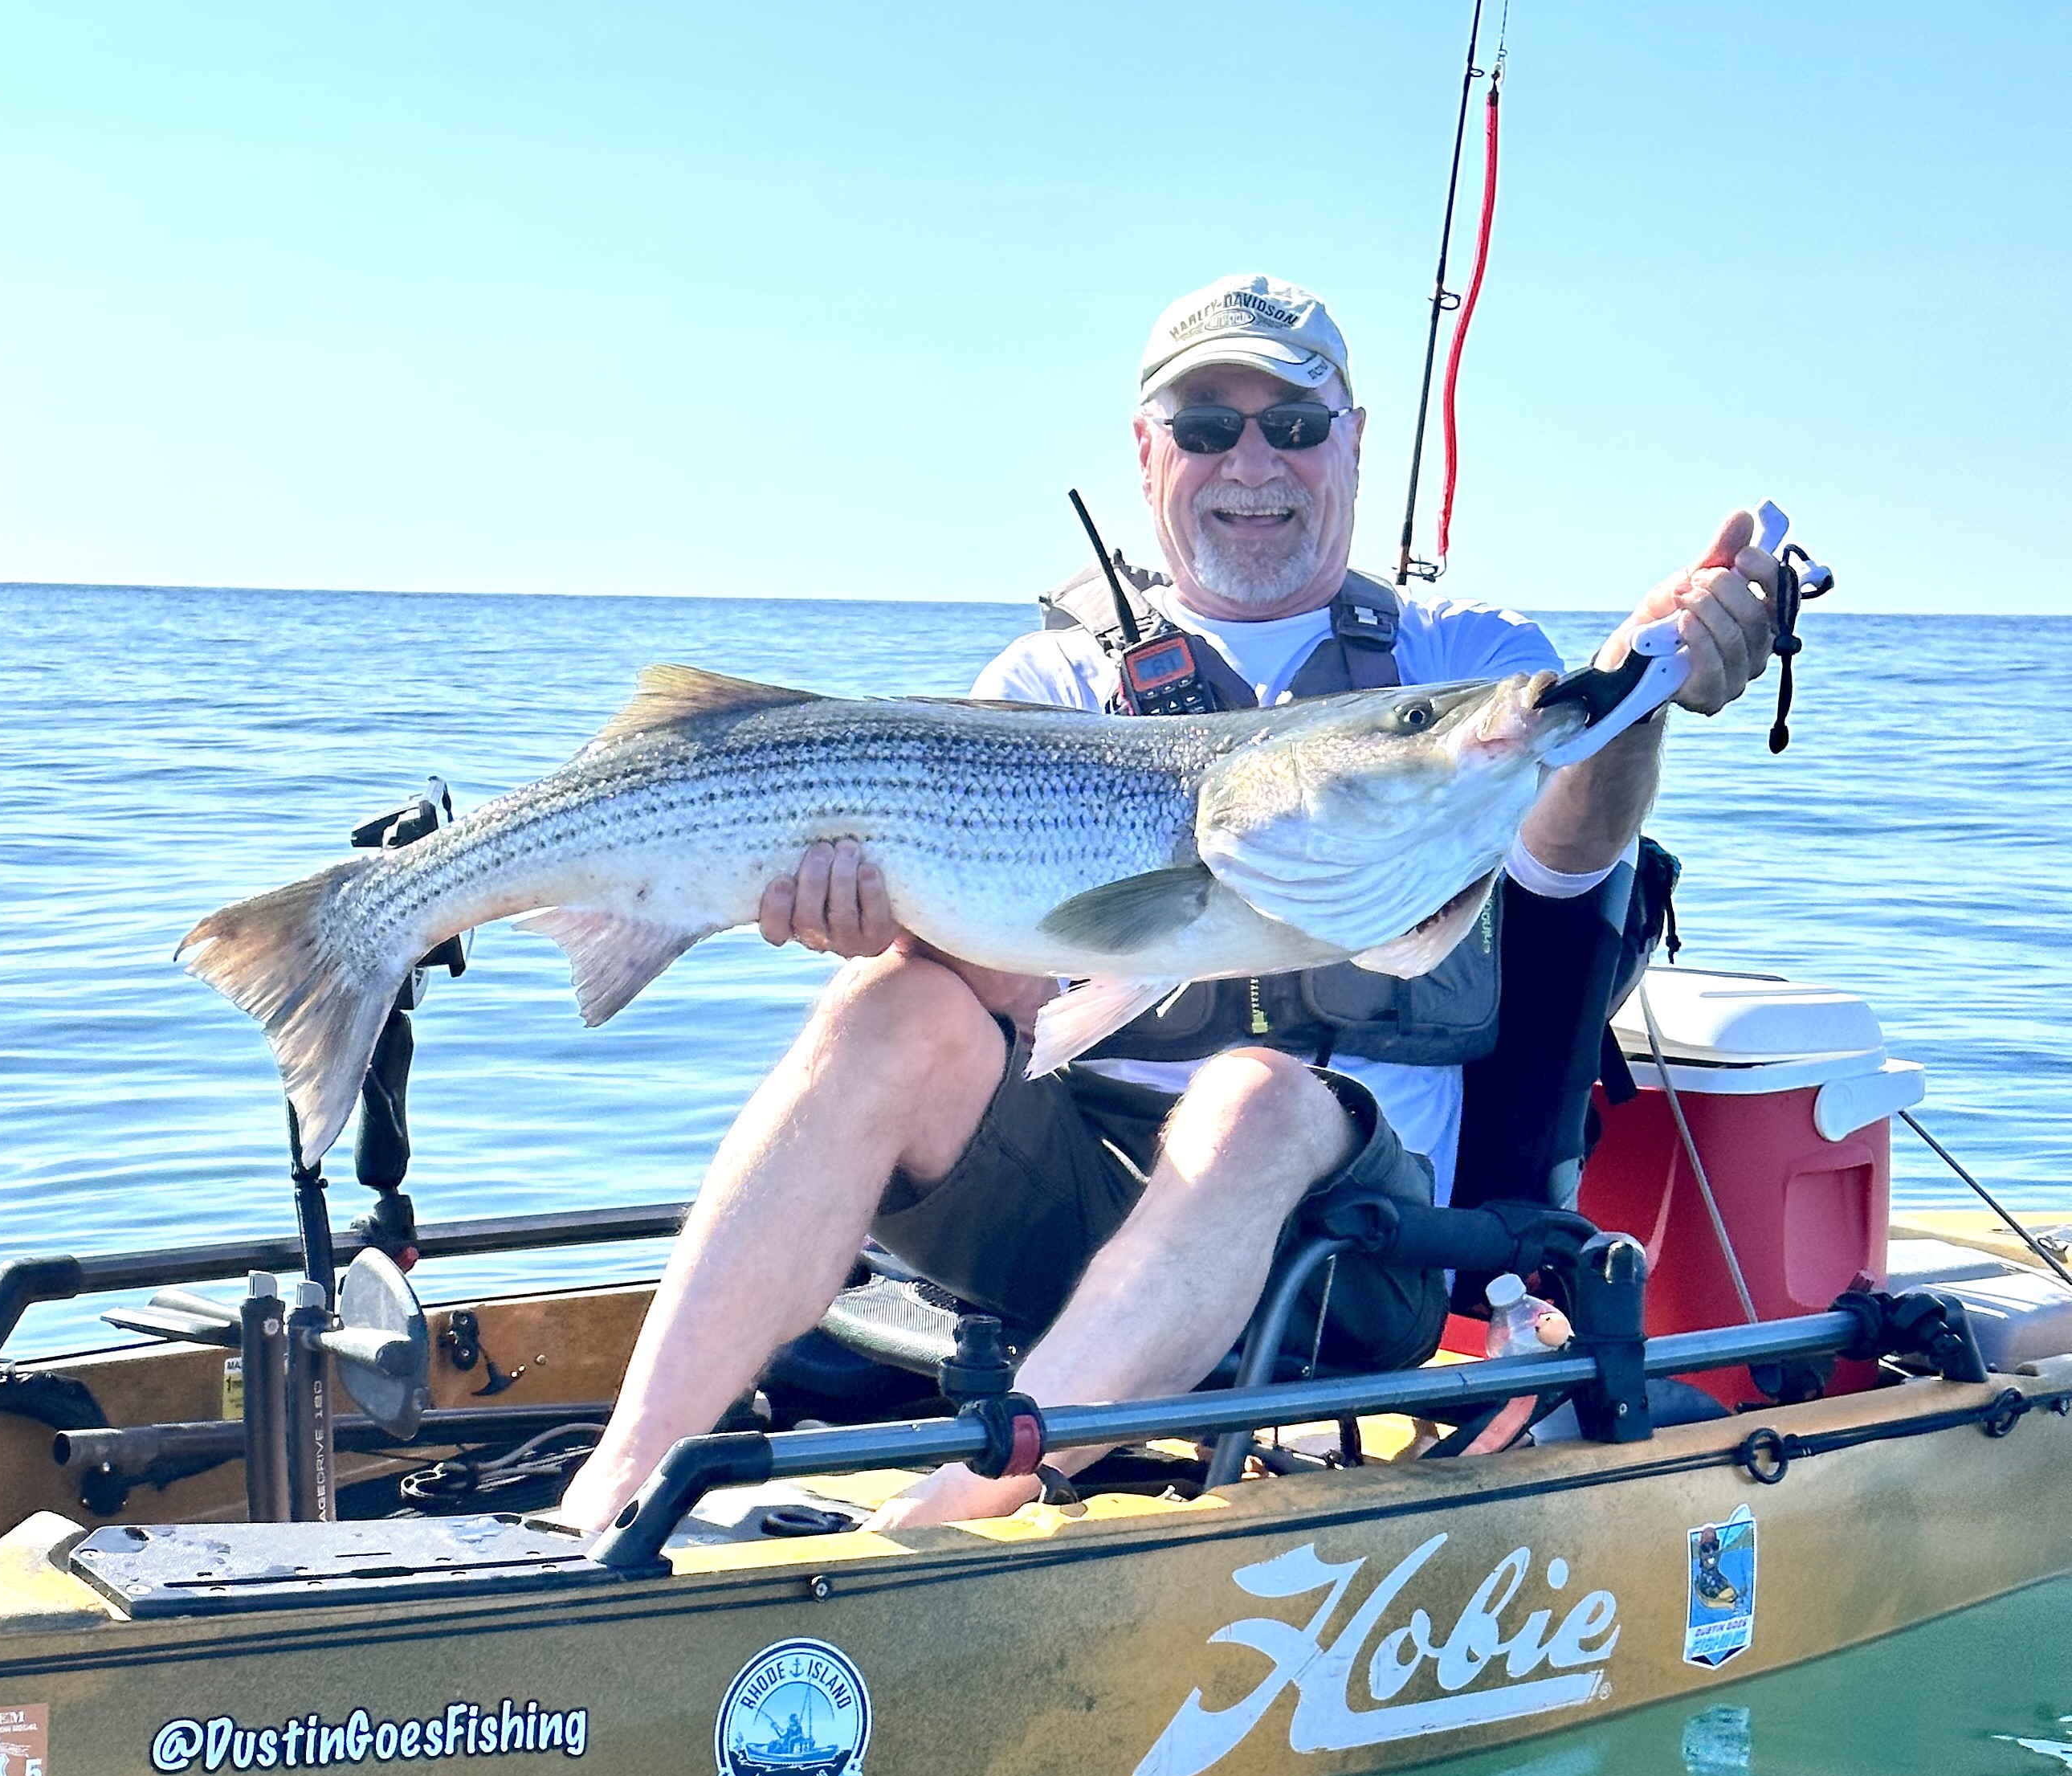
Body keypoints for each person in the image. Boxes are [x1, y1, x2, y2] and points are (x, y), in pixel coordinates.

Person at [559, 270, 1779, 1536]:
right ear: (1148, 455)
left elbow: (1569, 848)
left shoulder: (1460, 660)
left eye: (1295, 425)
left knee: (1253, 1093)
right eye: (1207, 428)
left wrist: (1637, 697)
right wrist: (886, 921)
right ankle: (614, 1492)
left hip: (1353, 1253)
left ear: (1354, 440)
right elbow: (1009, 1003)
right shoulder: (1050, 678)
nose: (1253, 461)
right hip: (1078, 1211)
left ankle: (941, 1523)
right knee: (886, 1005)